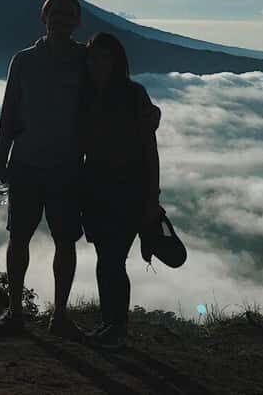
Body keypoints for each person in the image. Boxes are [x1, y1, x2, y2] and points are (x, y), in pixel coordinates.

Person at [0, 0, 87, 340]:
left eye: (67, 14)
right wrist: (2, 163)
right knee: (19, 238)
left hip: (68, 167)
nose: (61, 19)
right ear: (44, 18)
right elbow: (8, 114)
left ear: (77, 21)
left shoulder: (86, 60)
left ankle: (59, 316)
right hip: (26, 164)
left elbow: (109, 101)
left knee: (65, 241)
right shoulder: (24, 60)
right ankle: (15, 312)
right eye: (55, 13)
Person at [79, 32, 161, 348]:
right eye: (93, 58)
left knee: (114, 258)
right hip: (94, 185)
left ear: (117, 61)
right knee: (105, 257)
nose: (98, 64)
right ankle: (109, 323)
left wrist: (152, 199)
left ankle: (117, 327)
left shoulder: (133, 94)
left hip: (128, 187)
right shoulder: (84, 94)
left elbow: (150, 149)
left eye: (104, 57)